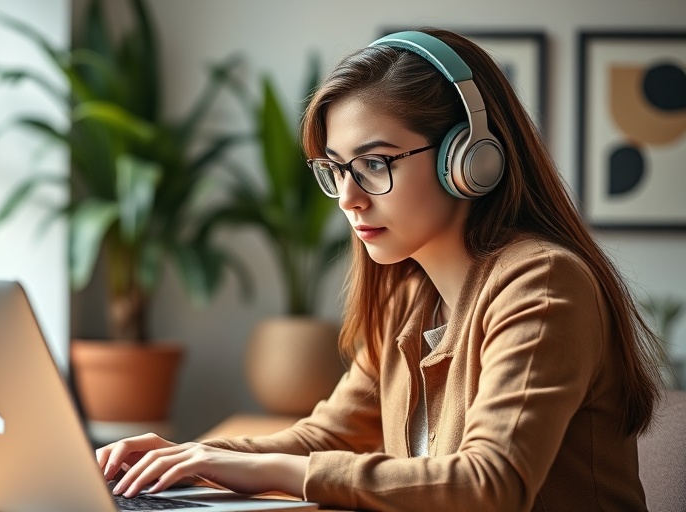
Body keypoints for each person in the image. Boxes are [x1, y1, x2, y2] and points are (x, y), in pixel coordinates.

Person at [95, 28, 664, 511]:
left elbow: (493, 483)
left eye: (373, 163)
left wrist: (276, 474)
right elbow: (326, 436)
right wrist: (189, 457)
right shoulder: (409, 300)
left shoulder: (541, 282)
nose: (348, 198)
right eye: (337, 169)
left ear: (468, 160)